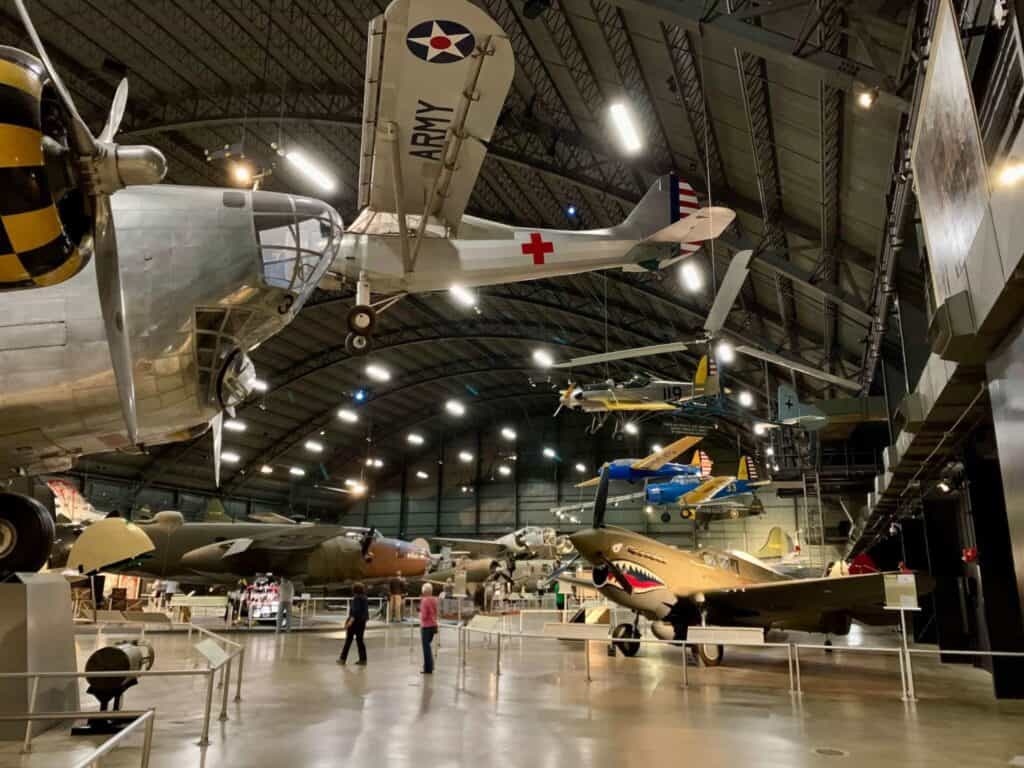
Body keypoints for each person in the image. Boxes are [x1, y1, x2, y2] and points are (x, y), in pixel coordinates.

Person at [338, 582, 368, 665]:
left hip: (355, 622)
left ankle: (342, 658)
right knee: (360, 641)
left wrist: (349, 622)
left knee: (348, 641)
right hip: (362, 622)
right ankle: (363, 659)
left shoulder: (356, 599)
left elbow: (355, 611)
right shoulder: (364, 598)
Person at [419, 583, 439, 674]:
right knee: (428, 647)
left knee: (426, 648)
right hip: (433, 625)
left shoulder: (424, 601)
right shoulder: (435, 600)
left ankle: (428, 668)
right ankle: (431, 665)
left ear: (424, 591)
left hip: (426, 626)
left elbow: (424, 615)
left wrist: (420, 614)